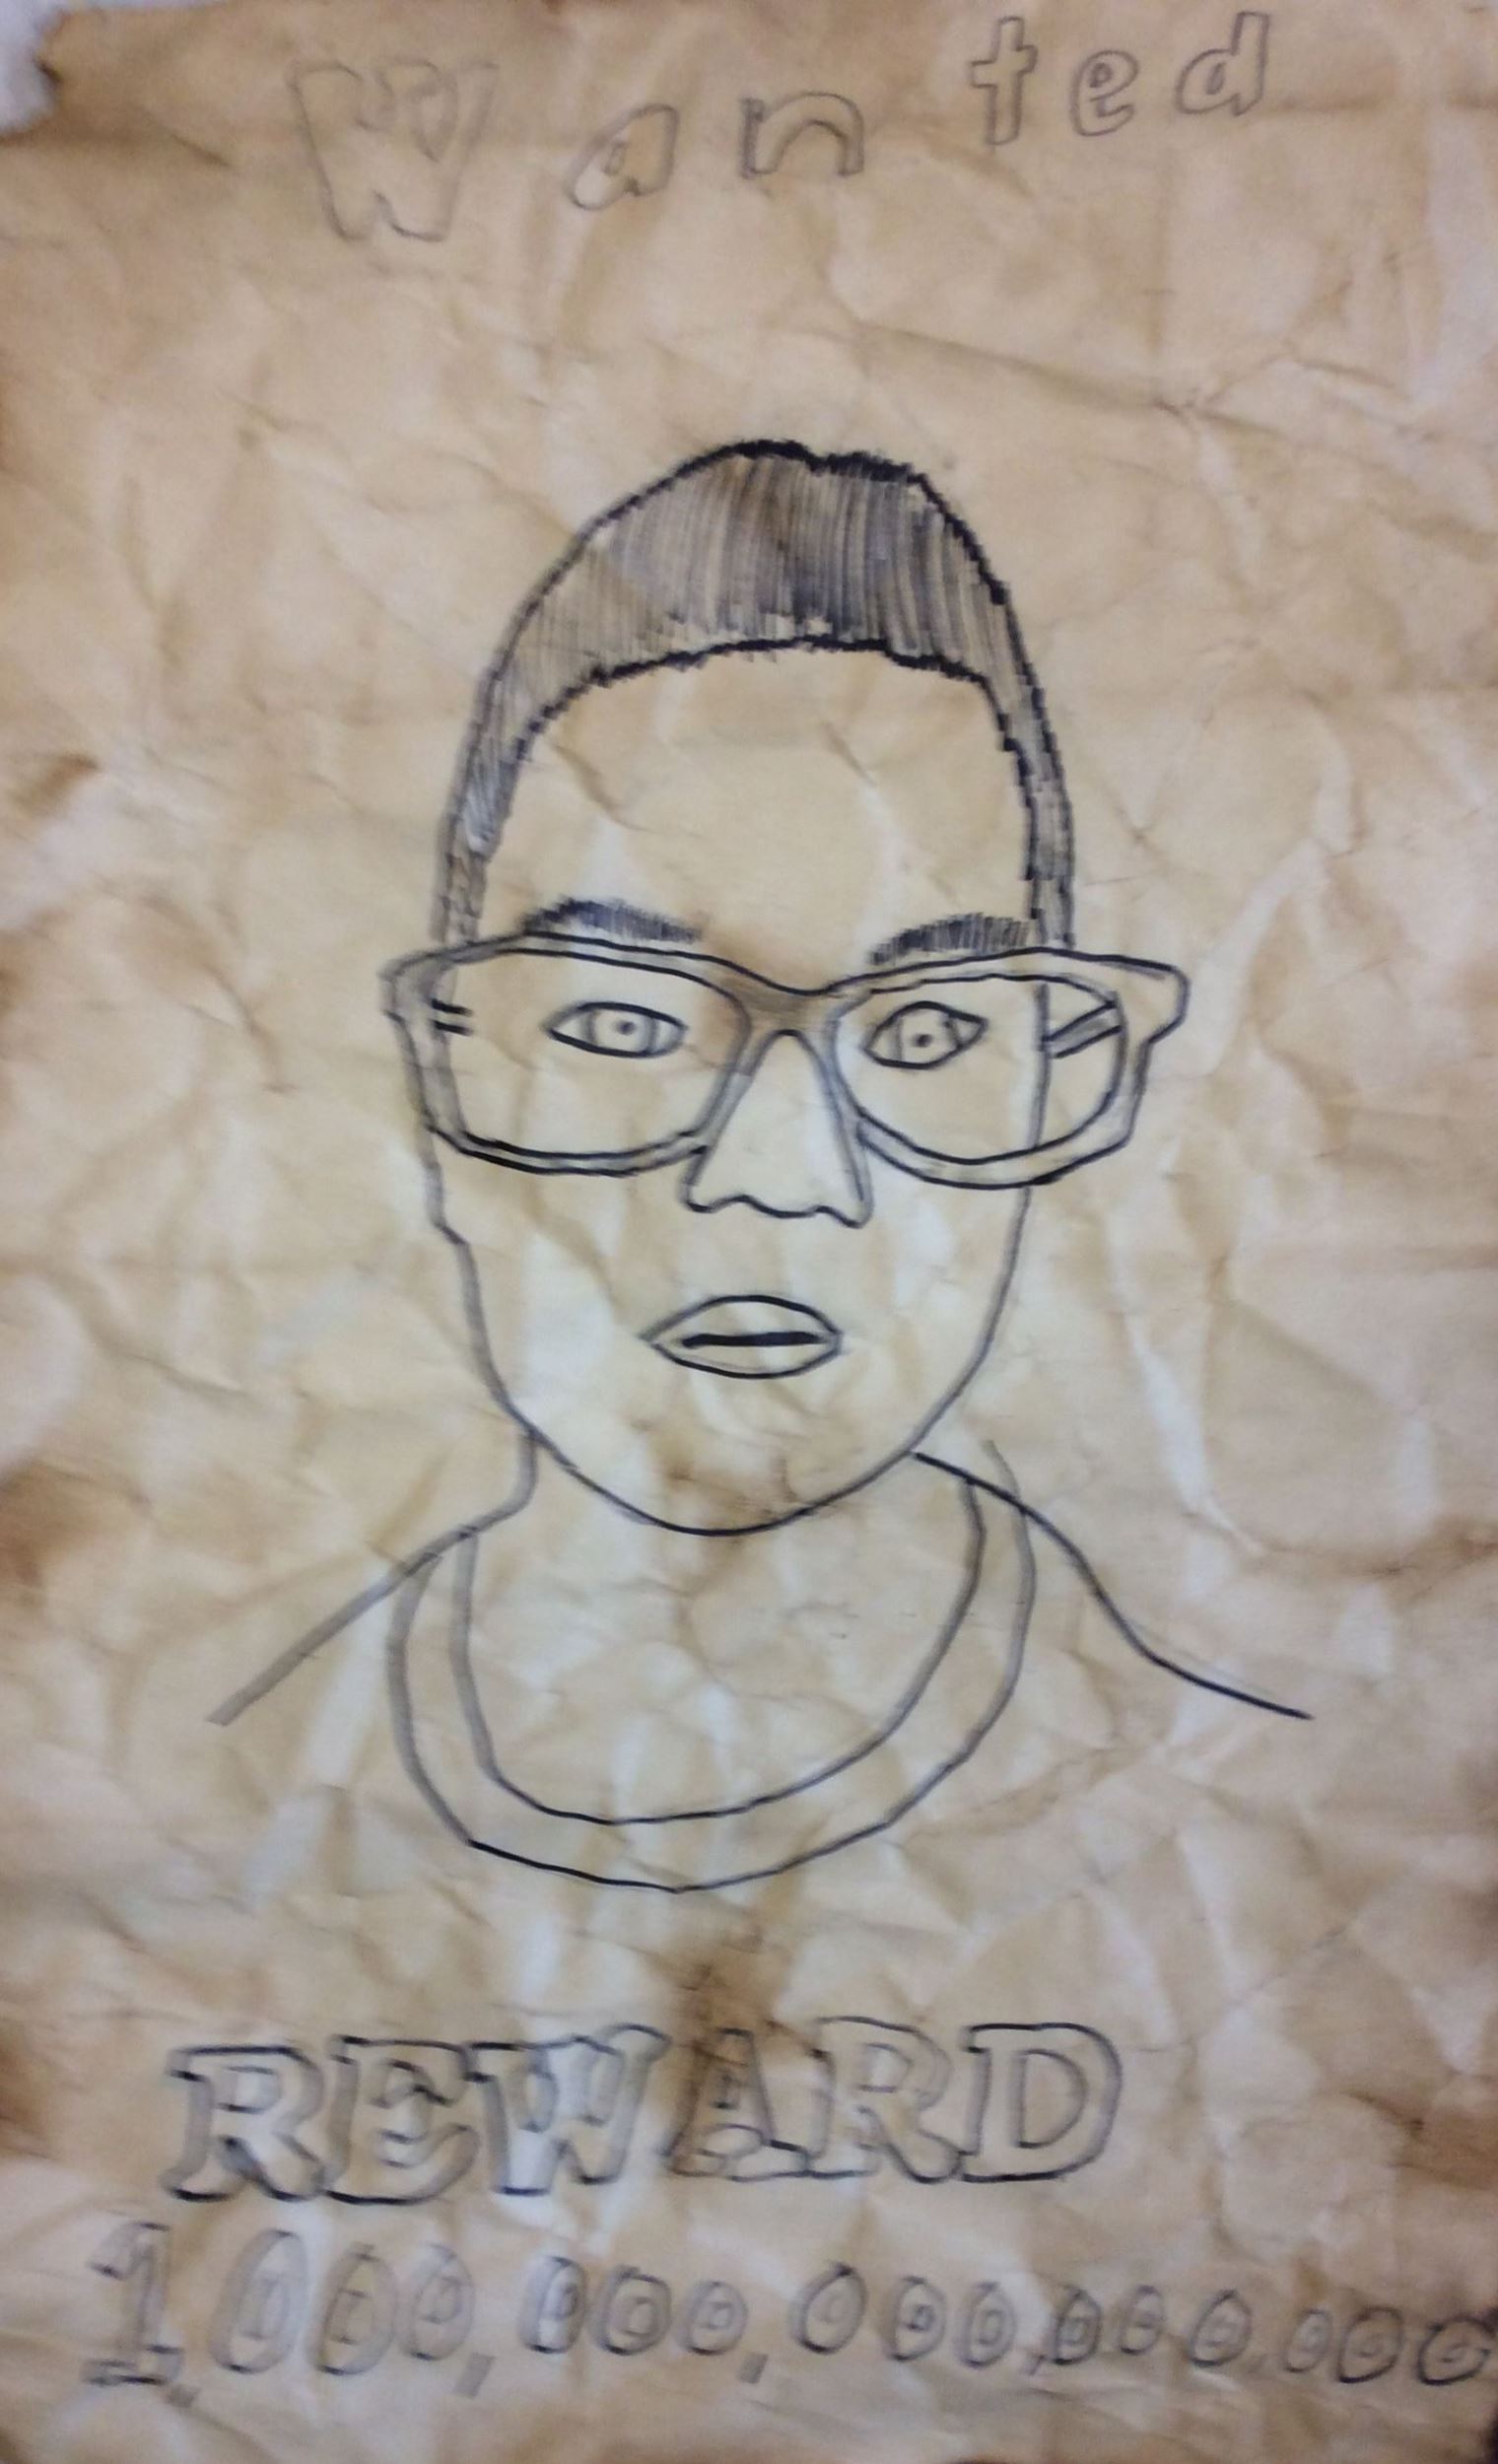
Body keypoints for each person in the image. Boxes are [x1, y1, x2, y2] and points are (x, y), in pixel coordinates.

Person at [217, 440, 1303, 1891]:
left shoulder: (1258, 1833)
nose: (784, 1175)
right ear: (441, 1087)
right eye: (618, 1021)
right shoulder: (180, 1797)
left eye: (926, 1030)